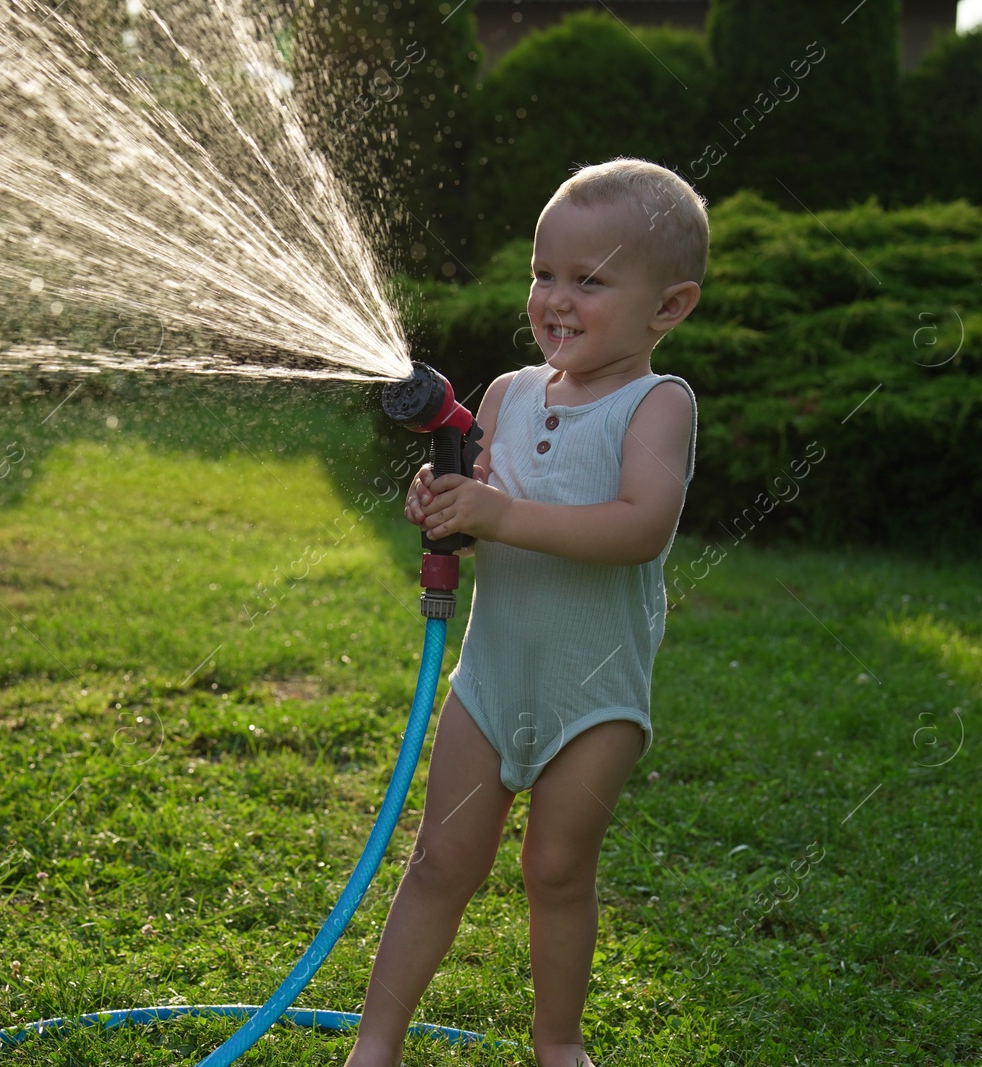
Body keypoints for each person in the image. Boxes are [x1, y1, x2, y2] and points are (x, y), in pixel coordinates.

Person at [344, 157, 708, 1067]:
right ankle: (373, 1046)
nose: (557, 297)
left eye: (591, 280)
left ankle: (558, 1042)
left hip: (595, 697)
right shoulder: (504, 396)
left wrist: (501, 512)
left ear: (667, 308)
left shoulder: (657, 404)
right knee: (439, 863)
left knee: (555, 868)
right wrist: (446, 500)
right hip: (490, 678)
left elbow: (639, 526)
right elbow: (486, 504)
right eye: (546, 273)